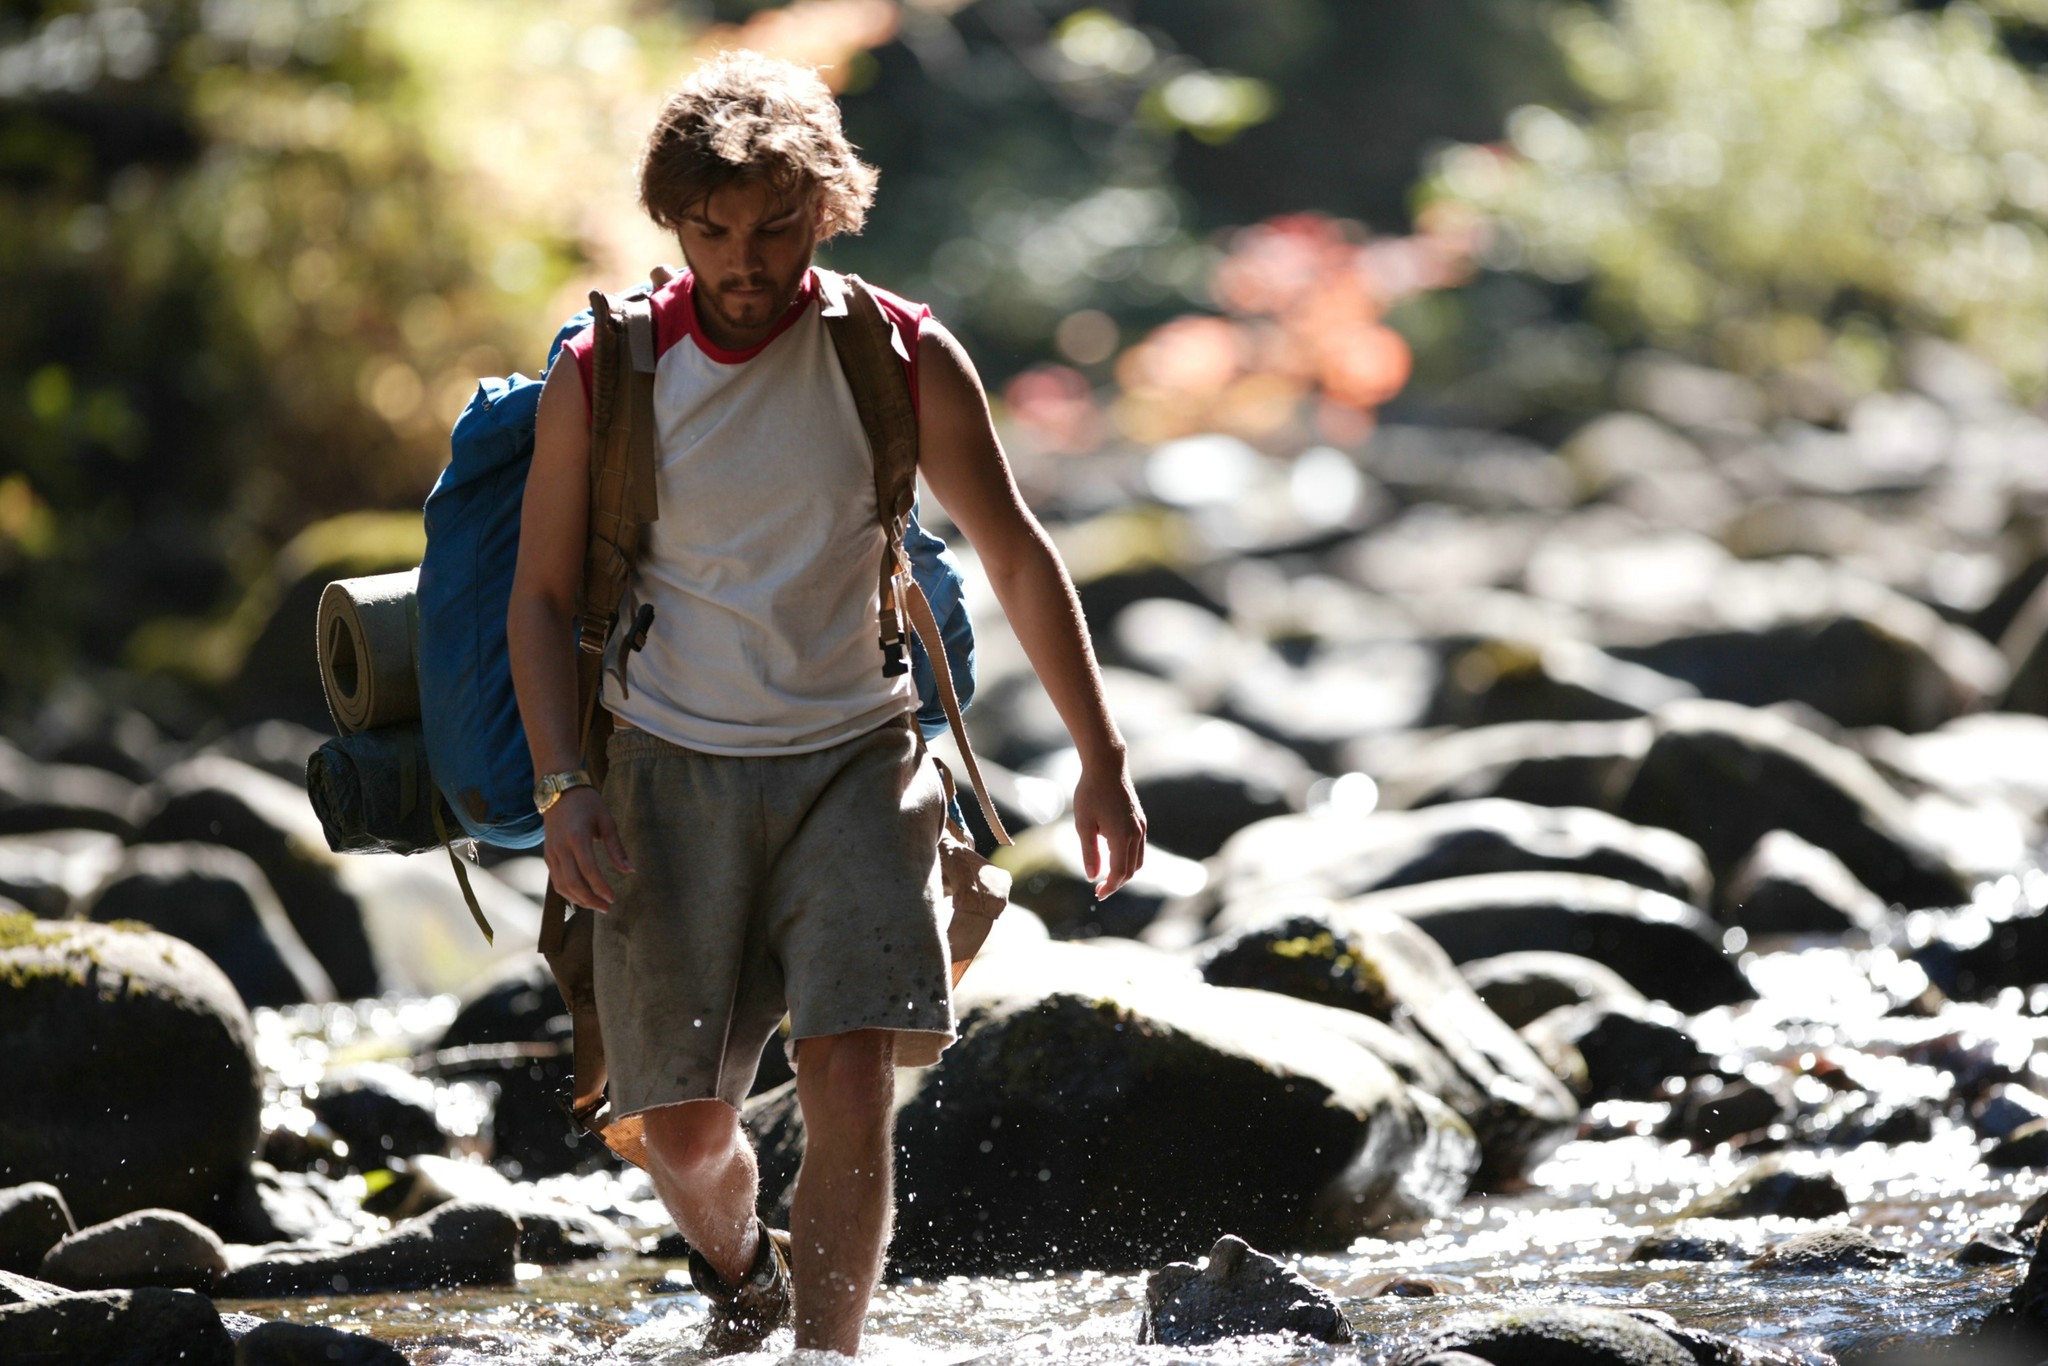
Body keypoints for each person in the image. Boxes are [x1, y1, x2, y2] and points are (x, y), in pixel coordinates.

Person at [506, 49, 1147, 1358]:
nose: (743, 260)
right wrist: (564, 786)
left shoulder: (898, 355)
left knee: (851, 1069)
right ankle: (744, 1266)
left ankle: (826, 1350)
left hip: (859, 756)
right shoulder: (608, 371)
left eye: (776, 227)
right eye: (713, 230)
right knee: (682, 1132)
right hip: (664, 772)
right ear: (673, 222)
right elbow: (539, 595)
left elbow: (1017, 551)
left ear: (830, 208)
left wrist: (1101, 756)